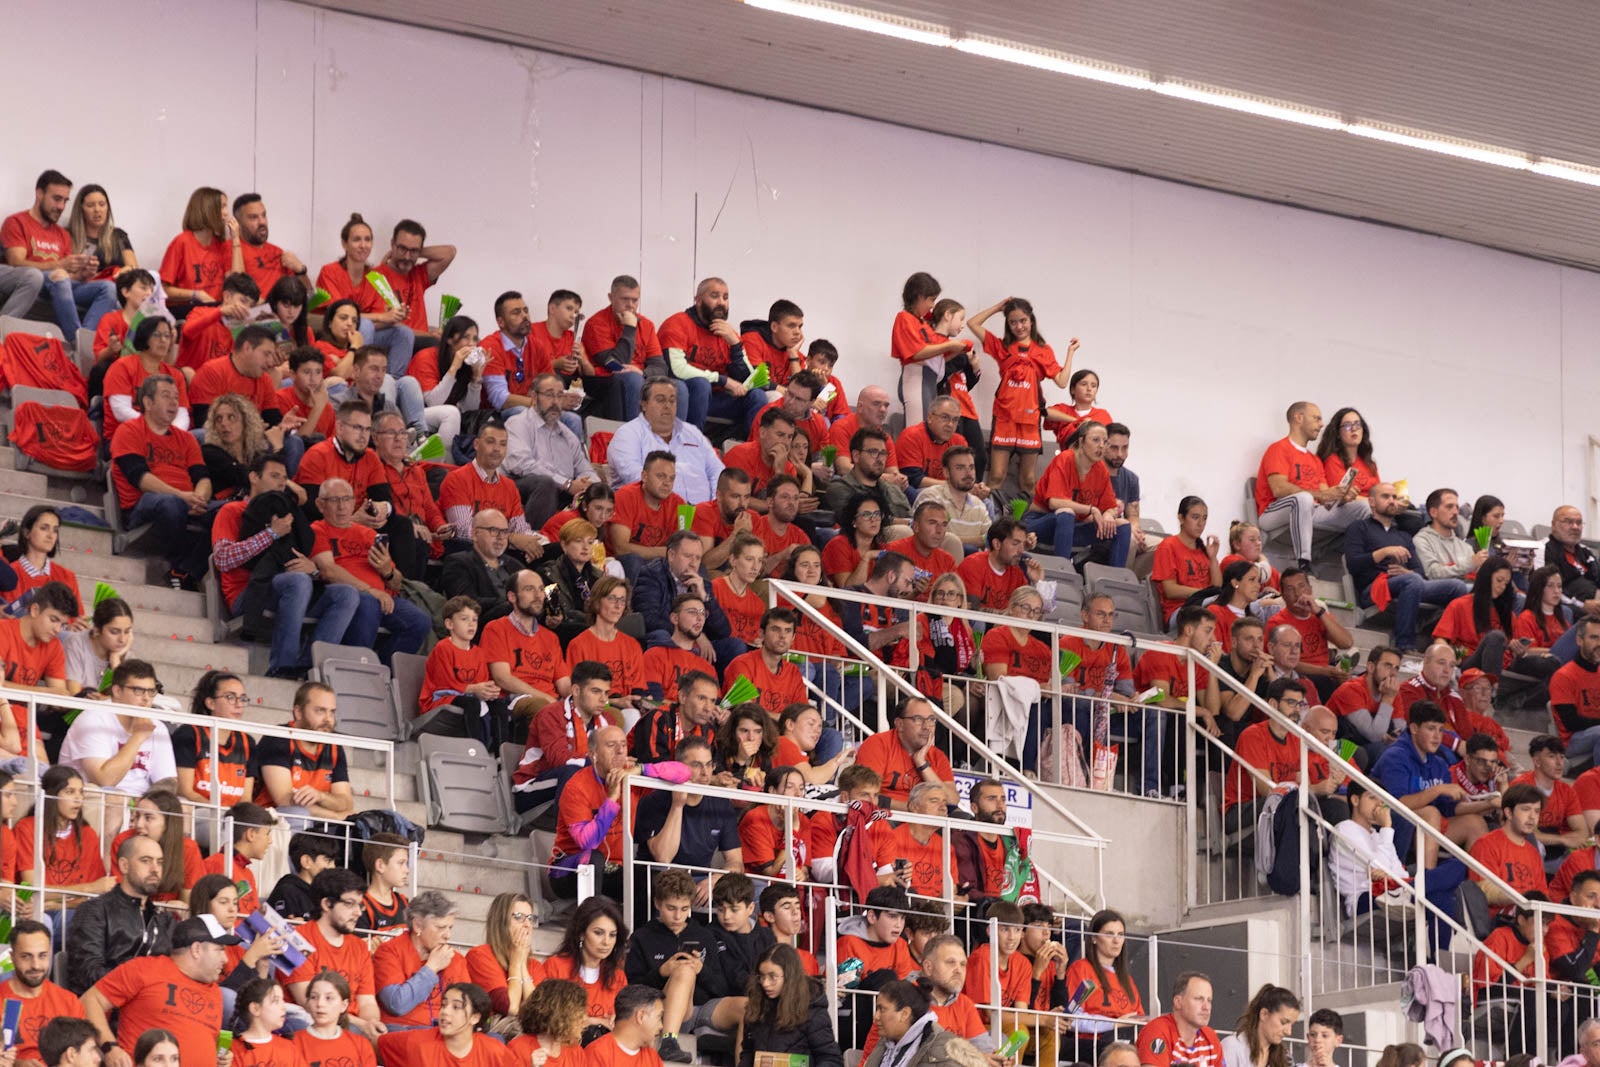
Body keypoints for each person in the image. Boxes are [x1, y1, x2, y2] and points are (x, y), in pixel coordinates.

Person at [82, 915, 234, 1067]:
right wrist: (110, 1048)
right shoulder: (145, 969)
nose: (225, 959)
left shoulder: (214, 991)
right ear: (196, 949)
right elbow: (89, 1001)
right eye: (220, 950)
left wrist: (221, 1058)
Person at [623, 869, 743, 1062]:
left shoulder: (704, 935)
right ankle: (669, 1041)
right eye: (671, 908)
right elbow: (629, 989)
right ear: (657, 904)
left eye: (684, 908)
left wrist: (701, 970)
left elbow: (722, 988)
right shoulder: (642, 937)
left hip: (699, 1009)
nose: (678, 916)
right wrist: (662, 972)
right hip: (659, 1009)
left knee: (747, 1006)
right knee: (684, 970)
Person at [311, 476, 432, 661]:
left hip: (383, 598)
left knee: (420, 621)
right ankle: (356, 666)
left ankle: (383, 668)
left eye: (346, 499)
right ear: (320, 505)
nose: (342, 506)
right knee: (368, 604)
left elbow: (397, 583)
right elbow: (329, 571)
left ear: (354, 503)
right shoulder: (318, 529)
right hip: (349, 595)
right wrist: (370, 591)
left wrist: (388, 571)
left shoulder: (368, 534)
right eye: (334, 500)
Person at [109, 375, 212, 589]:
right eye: (166, 396)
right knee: (170, 504)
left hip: (186, 501)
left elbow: (202, 477)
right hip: (143, 505)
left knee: (230, 513)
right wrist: (182, 496)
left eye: (176, 397)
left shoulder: (187, 439)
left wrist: (199, 498)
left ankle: (185, 570)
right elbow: (140, 478)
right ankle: (178, 559)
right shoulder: (128, 431)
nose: (174, 403)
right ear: (147, 402)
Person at [1344, 482, 1470, 651]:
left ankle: (1438, 641)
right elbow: (1353, 564)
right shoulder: (1359, 527)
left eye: (1394, 497)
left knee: (1458, 587)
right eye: (1385, 496)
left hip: (1408, 583)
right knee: (1412, 581)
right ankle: (1404, 645)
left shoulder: (1403, 536)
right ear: (1372, 502)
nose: (1391, 501)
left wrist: (1407, 572)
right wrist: (1384, 552)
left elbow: (1419, 571)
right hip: (1373, 588)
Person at [1255, 402, 1371, 569]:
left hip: (1310, 510)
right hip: (1272, 513)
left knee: (1364, 507)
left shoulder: (1315, 460)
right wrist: (1320, 495)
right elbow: (1279, 489)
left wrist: (1342, 497)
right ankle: (1304, 561)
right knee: (1304, 499)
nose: (1321, 424)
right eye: (1316, 418)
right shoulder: (1279, 449)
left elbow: (1326, 498)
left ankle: (1360, 563)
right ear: (1299, 418)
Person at [3, 170, 117, 335]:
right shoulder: (17, 222)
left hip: (59, 284)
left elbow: (68, 278)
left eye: (65, 201)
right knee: (59, 277)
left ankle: (84, 339)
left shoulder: (62, 234)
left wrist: (83, 274)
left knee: (108, 288)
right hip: (36, 282)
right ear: (39, 194)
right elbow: (16, 263)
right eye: (57, 199)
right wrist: (59, 265)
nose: (61, 207)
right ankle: (75, 339)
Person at [635, 737, 746, 900]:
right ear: (678, 767)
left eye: (709, 765)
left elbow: (736, 862)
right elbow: (663, 857)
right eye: (696, 765)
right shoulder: (654, 800)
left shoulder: (722, 803)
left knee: (752, 889)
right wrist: (677, 805)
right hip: (661, 879)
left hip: (702, 881)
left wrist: (716, 879)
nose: (705, 772)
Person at [63, 833, 172, 995]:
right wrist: (140, 987)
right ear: (124, 866)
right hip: (103, 1008)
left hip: (149, 1009)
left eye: (159, 862)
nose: (155, 869)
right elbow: (88, 973)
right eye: (146, 861)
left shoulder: (163, 920)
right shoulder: (95, 910)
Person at [659, 277, 768, 436]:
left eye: (725, 297)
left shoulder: (728, 333)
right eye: (715, 296)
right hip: (685, 395)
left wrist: (735, 344)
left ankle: (749, 450)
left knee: (757, 395)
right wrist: (722, 380)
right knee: (701, 384)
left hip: (717, 400)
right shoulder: (677, 323)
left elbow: (749, 381)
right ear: (698, 300)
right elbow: (676, 369)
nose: (721, 303)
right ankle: (692, 444)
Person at [283, 868, 384, 1037]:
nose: (358, 912)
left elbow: (367, 1002)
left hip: (354, 1026)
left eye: (360, 905)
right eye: (349, 904)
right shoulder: (298, 940)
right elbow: (311, 1004)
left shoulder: (359, 947)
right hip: (311, 1023)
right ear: (326, 904)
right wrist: (362, 1025)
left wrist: (372, 1024)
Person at [314, 213, 415, 377]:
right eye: (357, 240)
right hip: (334, 333)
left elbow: (377, 322)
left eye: (367, 240)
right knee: (366, 324)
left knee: (404, 333)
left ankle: (390, 382)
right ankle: (359, 378)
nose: (363, 245)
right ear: (344, 244)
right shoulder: (330, 271)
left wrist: (393, 318)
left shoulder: (375, 277)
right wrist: (383, 317)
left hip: (365, 334)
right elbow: (342, 315)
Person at [1372, 701, 1471, 868]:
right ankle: (1427, 881)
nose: (1437, 736)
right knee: (1431, 813)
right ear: (1414, 729)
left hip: (1424, 827)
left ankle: (1478, 889)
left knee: (1474, 822)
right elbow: (1399, 804)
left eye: (1440, 730)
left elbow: (1448, 808)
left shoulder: (1439, 762)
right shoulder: (1395, 757)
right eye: (1431, 729)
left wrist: (1486, 804)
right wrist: (1438, 790)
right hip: (1387, 823)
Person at [511, 659, 616, 811]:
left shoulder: (607, 720)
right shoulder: (551, 714)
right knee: (573, 771)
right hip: (531, 787)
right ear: (576, 690)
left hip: (578, 781)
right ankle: (567, 832)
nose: (603, 699)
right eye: (596, 691)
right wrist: (601, 763)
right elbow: (558, 758)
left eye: (606, 693)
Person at [58, 659, 175, 796]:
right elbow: (104, 780)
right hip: (92, 799)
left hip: (141, 803)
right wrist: (137, 738)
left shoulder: (157, 726)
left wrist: (148, 804)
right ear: (117, 691)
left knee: (184, 806)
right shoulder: (93, 719)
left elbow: (168, 781)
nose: (146, 699)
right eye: (138, 690)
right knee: (116, 799)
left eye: (151, 691)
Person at [549, 725, 639, 900]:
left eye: (623, 745)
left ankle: (637, 928)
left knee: (648, 878)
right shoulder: (577, 786)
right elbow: (588, 842)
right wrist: (611, 799)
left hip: (612, 868)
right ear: (593, 755)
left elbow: (682, 772)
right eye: (611, 745)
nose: (620, 751)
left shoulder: (631, 777)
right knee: (593, 859)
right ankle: (589, 922)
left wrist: (640, 770)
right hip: (568, 869)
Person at [1026, 421, 1131, 566]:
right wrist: (1091, 509)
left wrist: (1108, 514)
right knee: (1067, 512)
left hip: (1072, 528)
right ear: (1081, 441)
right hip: (1041, 524)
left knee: (1122, 525)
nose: (1101, 445)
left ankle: (1115, 581)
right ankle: (1063, 570)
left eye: (1105, 442)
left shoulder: (1101, 469)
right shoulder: (1065, 459)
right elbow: (1054, 502)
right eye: (1095, 440)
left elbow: (1111, 507)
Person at [636, 531, 744, 669]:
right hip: (669, 639)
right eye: (687, 556)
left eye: (698, 558)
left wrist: (704, 597)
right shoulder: (652, 575)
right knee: (660, 636)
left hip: (696, 646)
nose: (693, 564)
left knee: (735, 646)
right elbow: (647, 619)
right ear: (671, 555)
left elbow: (723, 631)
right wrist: (694, 633)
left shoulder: (702, 583)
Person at [504, 373, 598, 530]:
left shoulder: (568, 435)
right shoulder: (518, 423)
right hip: (523, 488)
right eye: (549, 395)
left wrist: (589, 485)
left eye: (560, 396)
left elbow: (585, 468)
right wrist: (566, 484)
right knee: (545, 483)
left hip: (563, 492)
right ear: (534, 397)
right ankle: (535, 539)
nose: (555, 402)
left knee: (598, 492)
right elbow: (521, 465)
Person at [609, 378, 723, 505]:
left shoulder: (693, 432)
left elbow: (717, 471)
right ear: (644, 404)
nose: (667, 406)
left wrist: (714, 505)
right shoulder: (628, 434)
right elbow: (636, 478)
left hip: (703, 514)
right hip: (653, 513)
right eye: (660, 400)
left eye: (672, 400)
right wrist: (671, 507)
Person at [253, 681, 354, 823]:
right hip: (269, 821)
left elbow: (345, 801)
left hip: (316, 819)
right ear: (298, 712)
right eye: (320, 710)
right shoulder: (278, 738)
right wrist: (336, 817)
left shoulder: (334, 747)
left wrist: (321, 796)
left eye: (332, 712)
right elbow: (284, 800)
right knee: (299, 815)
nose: (328, 719)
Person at [16, 765, 111, 914]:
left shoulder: (88, 834)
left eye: (81, 792)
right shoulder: (27, 827)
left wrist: (59, 905)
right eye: (70, 792)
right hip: (33, 910)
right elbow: (32, 888)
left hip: (71, 910)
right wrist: (87, 888)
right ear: (51, 795)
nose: (78, 798)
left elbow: (95, 895)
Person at [371, 891, 471, 1028]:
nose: (448, 935)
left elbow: (467, 1008)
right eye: (441, 927)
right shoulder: (389, 952)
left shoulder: (456, 959)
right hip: (402, 1031)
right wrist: (431, 968)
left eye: (450, 928)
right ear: (417, 925)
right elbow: (396, 1004)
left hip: (444, 1033)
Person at [480, 568, 564, 726]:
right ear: (512, 597)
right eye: (529, 589)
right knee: (544, 708)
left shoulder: (551, 638)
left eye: (540, 589)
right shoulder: (495, 629)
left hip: (552, 701)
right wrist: (546, 698)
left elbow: (564, 682)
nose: (538, 595)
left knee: (609, 713)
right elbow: (502, 678)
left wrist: (585, 700)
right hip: (514, 699)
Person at [739, 943, 842, 1067]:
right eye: (761, 976)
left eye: (773, 977)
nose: (765, 983)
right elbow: (748, 1052)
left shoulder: (812, 1009)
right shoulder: (756, 1006)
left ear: (789, 976)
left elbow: (830, 1058)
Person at [582, 274, 663, 421]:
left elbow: (660, 367)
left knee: (679, 388)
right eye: (625, 299)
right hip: (604, 379)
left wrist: (642, 372)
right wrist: (630, 328)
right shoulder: (596, 323)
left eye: (635, 300)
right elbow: (615, 364)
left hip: (638, 376)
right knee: (632, 379)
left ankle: (671, 442)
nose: (631, 305)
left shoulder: (647, 325)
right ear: (611, 297)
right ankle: (633, 439)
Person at [375, 984, 518, 1067]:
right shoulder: (415, 1042)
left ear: (475, 1017)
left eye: (456, 1007)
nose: (445, 1012)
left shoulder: (494, 1051)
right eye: (443, 1005)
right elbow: (375, 1047)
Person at [1267, 568, 1356, 700]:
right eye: (1291, 589)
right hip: (1299, 676)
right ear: (1283, 595)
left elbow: (1347, 643)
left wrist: (1319, 612)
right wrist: (1326, 671)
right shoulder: (1276, 623)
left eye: (1301, 586)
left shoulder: (1319, 616)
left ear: (1310, 589)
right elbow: (1281, 662)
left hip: (1327, 674)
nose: (1298, 593)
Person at [542, 895, 630, 1030]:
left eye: (612, 935)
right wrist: (596, 1021)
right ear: (581, 934)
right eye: (598, 933)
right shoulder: (555, 966)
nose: (606, 942)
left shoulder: (618, 976)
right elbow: (548, 1017)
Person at [1062, 909, 1143, 1054]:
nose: (1116, 941)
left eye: (1120, 935)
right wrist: (1115, 1024)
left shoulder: (1127, 980)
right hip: (1092, 1044)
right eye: (1109, 934)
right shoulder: (1081, 969)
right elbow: (1072, 1020)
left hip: (1126, 1042)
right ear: (1093, 938)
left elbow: (1139, 1020)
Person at [107, 789, 204, 907]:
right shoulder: (123, 841)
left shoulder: (188, 848)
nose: (138, 824)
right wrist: (164, 906)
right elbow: (120, 895)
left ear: (168, 823)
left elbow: (189, 903)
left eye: (148, 818)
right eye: (137, 816)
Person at [5, 920, 84, 1064]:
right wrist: (17, 1064)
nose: (35, 965)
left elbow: (84, 1055)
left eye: (42, 956)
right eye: (26, 956)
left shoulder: (69, 1001)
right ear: (12, 957)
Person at [855, 697, 956, 809]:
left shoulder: (937, 756)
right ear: (900, 724)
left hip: (925, 818)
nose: (927, 726)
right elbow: (864, 795)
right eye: (918, 719)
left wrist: (922, 763)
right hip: (885, 816)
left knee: (963, 817)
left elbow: (952, 800)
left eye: (931, 720)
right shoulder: (878, 744)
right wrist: (915, 810)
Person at [159, 185, 246, 306]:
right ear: (207, 210)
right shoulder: (182, 242)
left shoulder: (221, 244)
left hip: (217, 310)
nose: (226, 213)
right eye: (222, 207)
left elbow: (238, 284)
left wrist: (236, 239)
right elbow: (163, 289)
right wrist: (196, 294)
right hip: (188, 312)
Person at [1468, 784, 1551, 909]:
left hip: (1529, 922)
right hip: (1498, 923)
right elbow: (1484, 891)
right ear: (1508, 813)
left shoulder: (1533, 852)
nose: (1532, 816)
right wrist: (1522, 898)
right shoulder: (1486, 844)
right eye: (1526, 809)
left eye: (1537, 811)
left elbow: (1542, 895)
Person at [468, 892, 546, 1020]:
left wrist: (522, 967)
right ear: (501, 922)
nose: (527, 924)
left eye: (530, 918)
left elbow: (540, 1012)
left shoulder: (535, 966)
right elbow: (510, 1007)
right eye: (519, 917)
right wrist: (515, 964)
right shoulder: (480, 955)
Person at [610, 451, 687, 576]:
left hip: (659, 565)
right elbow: (621, 548)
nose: (667, 483)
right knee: (633, 560)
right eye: (661, 476)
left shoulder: (679, 504)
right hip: (621, 566)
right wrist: (664, 552)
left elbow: (681, 548)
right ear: (644, 476)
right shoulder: (626, 496)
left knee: (695, 566)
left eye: (672, 478)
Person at [375, 218, 455, 337]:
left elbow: (450, 252)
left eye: (413, 251)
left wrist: (418, 252)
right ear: (392, 244)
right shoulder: (377, 278)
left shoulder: (418, 273)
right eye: (402, 248)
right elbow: (390, 326)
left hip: (425, 345)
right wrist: (428, 335)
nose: (407, 257)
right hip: (399, 341)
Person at [1151, 497, 1222, 624]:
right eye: (1195, 517)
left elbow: (1217, 587)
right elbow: (1170, 590)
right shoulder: (1168, 546)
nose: (1201, 524)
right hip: (1180, 611)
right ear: (1181, 518)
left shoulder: (1204, 551)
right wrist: (1203, 594)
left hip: (1205, 606)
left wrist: (1212, 558)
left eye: (1204, 518)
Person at [179, 272, 265, 376]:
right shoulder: (201, 311)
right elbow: (187, 332)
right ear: (227, 296)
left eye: (251, 306)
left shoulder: (242, 330)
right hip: (191, 380)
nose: (247, 309)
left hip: (221, 384)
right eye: (243, 301)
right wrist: (221, 312)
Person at [822, 427, 912, 525]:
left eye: (883, 453)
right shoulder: (840, 488)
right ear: (856, 456)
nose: (880, 459)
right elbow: (860, 522)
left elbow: (912, 520)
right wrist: (904, 523)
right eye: (873, 452)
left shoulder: (893, 490)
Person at [1135, 972, 1221, 1067]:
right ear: (1178, 1002)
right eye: (1198, 999)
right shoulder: (1157, 1030)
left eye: (1209, 1000)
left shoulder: (1210, 1036)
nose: (1206, 1007)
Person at [294, 971, 378, 1067]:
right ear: (308, 1002)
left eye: (329, 998)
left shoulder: (361, 1045)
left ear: (344, 1005)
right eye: (314, 997)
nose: (320, 1003)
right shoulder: (294, 1043)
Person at [4, 505, 79, 609]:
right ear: (26, 532)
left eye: (55, 530)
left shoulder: (68, 577)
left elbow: (75, 618)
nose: (50, 535)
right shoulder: (8, 576)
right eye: (44, 528)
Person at [1413, 488, 1489, 582]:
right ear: (1433, 512)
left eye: (1456, 507)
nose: (1455, 512)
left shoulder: (1466, 547)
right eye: (1449, 507)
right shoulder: (1422, 540)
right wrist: (1470, 564)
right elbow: (1432, 573)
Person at [509, 978, 589, 1067]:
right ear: (559, 1016)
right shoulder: (518, 1048)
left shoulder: (576, 1052)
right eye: (578, 1015)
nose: (584, 1019)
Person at [1552, 617, 1600, 763]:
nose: (1599, 643)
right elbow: (1571, 723)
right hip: (1573, 739)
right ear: (1579, 641)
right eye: (1594, 638)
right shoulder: (1563, 676)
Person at [897, 396, 967, 492]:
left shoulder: (959, 442)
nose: (950, 424)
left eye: (955, 420)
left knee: (986, 502)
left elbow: (964, 476)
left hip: (950, 491)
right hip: (918, 491)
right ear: (930, 418)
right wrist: (952, 486)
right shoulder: (911, 436)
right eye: (945, 417)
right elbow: (913, 479)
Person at [1218, 985, 1300, 1067]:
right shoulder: (1232, 1047)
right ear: (1264, 1014)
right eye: (1283, 1022)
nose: (1288, 1032)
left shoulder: (1285, 1057)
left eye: (1292, 1025)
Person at [267, 832, 340, 921]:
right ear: (306, 861)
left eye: (334, 861)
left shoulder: (327, 893)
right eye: (328, 860)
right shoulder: (287, 891)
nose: (333, 867)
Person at [1045, 368, 1113, 449]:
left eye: (1093, 386)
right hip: (1067, 459)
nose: (1089, 389)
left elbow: (1109, 443)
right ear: (1073, 389)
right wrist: (1076, 421)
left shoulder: (1103, 415)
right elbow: (1046, 412)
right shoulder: (1063, 410)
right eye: (1084, 384)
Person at [361, 833, 413, 934]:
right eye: (401, 863)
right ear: (380, 865)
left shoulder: (404, 902)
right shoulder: (361, 905)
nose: (406, 870)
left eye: (406, 864)